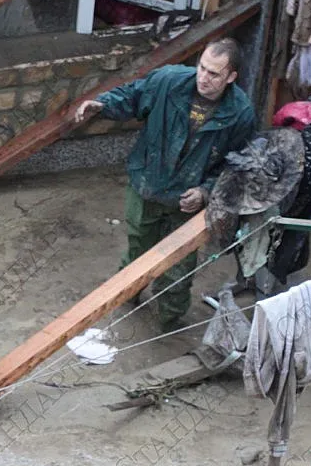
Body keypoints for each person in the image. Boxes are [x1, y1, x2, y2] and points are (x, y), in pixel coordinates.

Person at [70, 37, 257, 331]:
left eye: (214, 74)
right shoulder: (167, 81)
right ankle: (126, 302)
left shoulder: (241, 113)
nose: (203, 78)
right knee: (137, 253)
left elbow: (237, 166)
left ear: (231, 77)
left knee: (177, 270)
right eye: (202, 68)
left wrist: (206, 191)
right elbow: (132, 96)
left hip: (186, 203)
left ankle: (169, 325)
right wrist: (102, 104)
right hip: (148, 185)